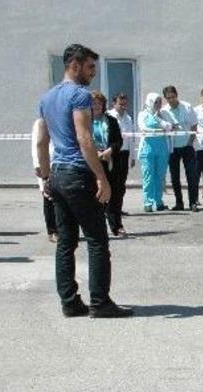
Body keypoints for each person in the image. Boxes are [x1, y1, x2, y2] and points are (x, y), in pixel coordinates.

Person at [34, 44, 132, 317]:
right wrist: (102, 178)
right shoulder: (79, 95)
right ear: (74, 65)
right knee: (97, 240)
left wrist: (45, 177)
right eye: (90, 67)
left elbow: (42, 142)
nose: (93, 74)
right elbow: (84, 138)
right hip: (78, 174)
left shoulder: (47, 98)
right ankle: (100, 303)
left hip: (58, 173)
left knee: (66, 242)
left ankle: (70, 302)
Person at [90, 91, 125, 236]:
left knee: (114, 194)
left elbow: (119, 141)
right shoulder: (84, 120)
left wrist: (109, 150)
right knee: (94, 195)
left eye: (98, 103)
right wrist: (95, 152)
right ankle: (96, 227)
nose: (96, 106)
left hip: (109, 160)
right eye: (93, 104)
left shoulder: (111, 120)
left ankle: (116, 225)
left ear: (103, 105)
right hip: (92, 161)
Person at [161, 85, 199, 212]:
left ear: (177, 95)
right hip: (172, 147)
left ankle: (193, 202)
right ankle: (179, 203)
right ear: (165, 98)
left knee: (191, 175)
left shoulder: (187, 107)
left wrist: (190, 142)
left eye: (173, 97)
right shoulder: (164, 111)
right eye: (168, 98)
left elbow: (194, 125)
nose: (171, 100)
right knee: (174, 176)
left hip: (187, 146)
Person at [137, 93, 172, 212]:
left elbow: (169, 127)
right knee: (148, 175)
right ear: (150, 102)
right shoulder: (143, 114)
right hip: (148, 148)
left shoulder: (163, 114)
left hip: (162, 148)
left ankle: (159, 201)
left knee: (160, 176)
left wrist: (158, 118)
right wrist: (158, 129)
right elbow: (143, 128)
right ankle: (148, 202)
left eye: (159, 102)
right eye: (155, 102)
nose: (158, 104)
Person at [107, 92, 134, 219]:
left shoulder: (128, 118)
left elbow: (132, 139)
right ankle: (108, 208)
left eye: (124, 104)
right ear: (114, 103)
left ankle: (118, 208)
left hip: (125, 153)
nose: (123, 106)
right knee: (112, 182)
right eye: (120, 103)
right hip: (113, 153)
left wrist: (132, 157)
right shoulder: (109, 116)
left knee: (121, 183)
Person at [31, 122, 57, 242]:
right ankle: (52, 231)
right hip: (46, 163)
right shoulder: (41, 122)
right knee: (49, 197)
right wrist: (37, 165)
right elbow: (36, 144)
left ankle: (64, 229)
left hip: (62, 162)